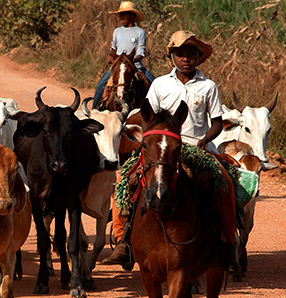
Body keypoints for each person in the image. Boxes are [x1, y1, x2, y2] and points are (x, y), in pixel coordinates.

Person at [100, 30, 239, 266]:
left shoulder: (208, 87)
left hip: (196, 146)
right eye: (181, 54)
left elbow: (216, 122)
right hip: (161, 147)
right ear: (172, 57)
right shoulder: (160, 85)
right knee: (126, 180)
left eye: (191, 54)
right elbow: (148, 116)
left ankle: (228, 241)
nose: (186, 59)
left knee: (223, 181)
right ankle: (124, 239)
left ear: (198, 57)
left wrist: (204, 141)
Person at [92, 1, 155, 109]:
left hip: (136, 66)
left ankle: (156, 111)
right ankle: (94, 111)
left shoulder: (140, 32)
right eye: (120, 14)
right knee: (101, 85)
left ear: (132, 16)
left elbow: (140, 52)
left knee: (154, 83)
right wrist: (110, 56)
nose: (121, 17)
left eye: (124, 14)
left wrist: (130, 61)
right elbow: (113, 49)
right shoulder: (117, 31)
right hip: (117, 66)